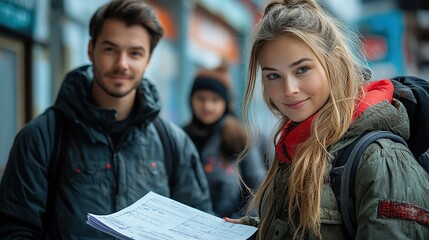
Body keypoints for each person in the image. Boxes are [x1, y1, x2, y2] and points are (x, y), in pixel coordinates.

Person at [0, 0, 213, 238]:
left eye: (135, 53)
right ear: (91, 49)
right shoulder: (42, 137)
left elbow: (198, 225)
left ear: (148, 59)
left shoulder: (172, 142)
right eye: (110, 49)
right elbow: (16, 229)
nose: (122, 64)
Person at [225, 0, 429, 239]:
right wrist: (256, 229)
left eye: (302, 69)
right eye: (273, 75)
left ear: (333, 62)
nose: (288, 89)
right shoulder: (295, 144)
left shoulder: (381, 157)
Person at [183, 63, 266, 218]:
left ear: (226, 103)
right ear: (191, 99)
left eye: (215, 100)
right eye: (201, 98)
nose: (207, 106)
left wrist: (242, 222)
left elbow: (257, 187)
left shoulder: (239, 136)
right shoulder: (180, 136)